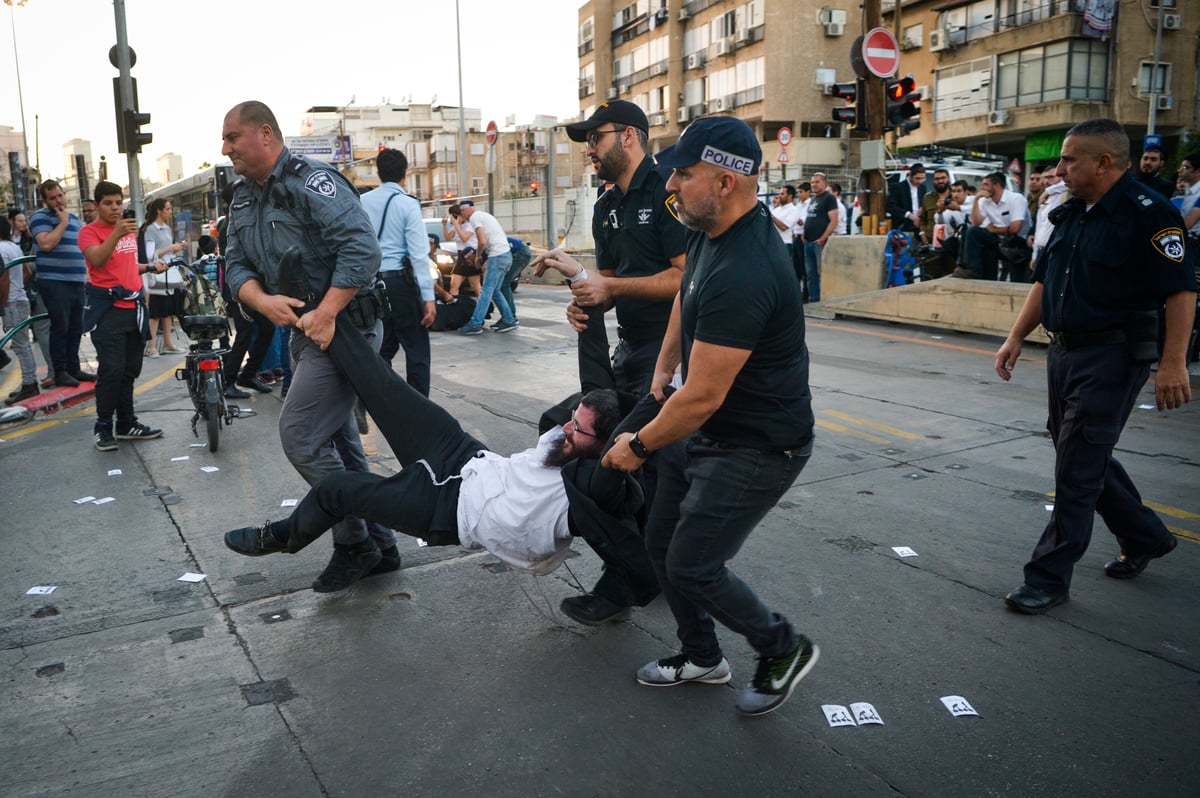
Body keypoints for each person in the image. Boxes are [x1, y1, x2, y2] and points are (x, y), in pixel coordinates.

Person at [605, 116, 818, 717]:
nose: (670, 184)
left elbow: (702, 398)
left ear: (725, 182)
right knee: (661, 539)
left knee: (693, 564)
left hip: (758, 445)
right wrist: (661, 368)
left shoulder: (748, 267)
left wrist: (639, 445)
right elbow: (684, 296)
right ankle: (701, 655)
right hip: (706, 428)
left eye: (684, 173)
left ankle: (783, 646)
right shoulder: (707, 230)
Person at [222, 322, 627, 578]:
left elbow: (628, 539)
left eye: (579, 431)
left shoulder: (590, 489)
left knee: (338, 489)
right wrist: (584, 301)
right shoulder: (567, 437)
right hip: (468, 458)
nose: (566, 429)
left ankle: (279, 537)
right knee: (384, 385)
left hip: (443, 510)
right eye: (572, 420)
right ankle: (317, 307)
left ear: (607, 448)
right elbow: (594, 381)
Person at [994, 118, 1195, 614]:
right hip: (1064, 352)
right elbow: (1044, 281)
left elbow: (1181, 290)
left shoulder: (1150, 213)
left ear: (1103, 163)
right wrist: (1017, 335)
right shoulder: (1072, 213)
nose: (1058, 169)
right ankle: (1145, 535)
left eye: (1068, 160)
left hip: (1114, 355)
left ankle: (1048, 577)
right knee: (1082, 453)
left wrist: (1174, 363)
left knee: (1077, 467)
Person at [220, 99, 398, 593]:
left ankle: (354, 542)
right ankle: (382, 546)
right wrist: (262, 299)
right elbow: (234, 265)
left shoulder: (310, 180)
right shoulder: (241, 198)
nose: (226, 147)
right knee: (341, 445)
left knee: (300, 436)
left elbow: (362, 249)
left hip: (345, 332)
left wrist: (327, 311)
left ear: (265, 134)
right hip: (302, 333)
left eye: (233, 138)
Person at [534, 99, 687, 625]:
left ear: (629, 137)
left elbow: (687, 279)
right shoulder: (605, 207)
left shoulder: (668, 190)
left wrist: (610, 286)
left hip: (674, 352)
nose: (589, 150)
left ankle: (630, 578)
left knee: (625, 457)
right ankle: (641, 564)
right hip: (629, 350)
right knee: (561, 431)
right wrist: (586, 301)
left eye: (595, 138)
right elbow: (611, 286)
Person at [78, 181, 166, 451]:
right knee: (111, 371)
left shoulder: (127, 232)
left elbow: (126, 265)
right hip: (108, 311)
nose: (115, 208)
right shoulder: (89, 232)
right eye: (108, 203)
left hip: (135, 309)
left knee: (130, 371)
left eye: (118, 202)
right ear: (96, 205)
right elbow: (99, 260)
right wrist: (116, 233)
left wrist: (149, 267)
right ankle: (103, 426)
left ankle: (126, 423)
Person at [361, 148, 436, 395]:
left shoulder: (361, 202)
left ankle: (376, 401)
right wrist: (428, 298)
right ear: (404, 174)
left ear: (378, 173)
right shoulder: (408, 204)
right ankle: (420, 409)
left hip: (370, 285)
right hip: (401, 285)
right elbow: (418, 255)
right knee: (416, 349)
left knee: (383, 346)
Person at [29, 180, 94, 387]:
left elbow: (83, 248)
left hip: (76, 281)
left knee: (76, 327)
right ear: (44, 200)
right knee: (61, 326)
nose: (58, 201)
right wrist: (63, 222)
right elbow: (46, 243)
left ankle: (73, 367)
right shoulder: (40, 217)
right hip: (54, 281)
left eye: (60, 195)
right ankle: (60, 370)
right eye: (52, 198)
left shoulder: (75, 218)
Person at [455, 201, 518, 335]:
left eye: (461, 213)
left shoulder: (475, 218)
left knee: (486, 291)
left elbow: (482, 240)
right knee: (495, 290)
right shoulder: (485, 215)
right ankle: (508, 319)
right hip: (506, 255)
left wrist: (478, 256)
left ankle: (475, 324)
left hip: (497, 256)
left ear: (464, 211)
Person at [955, 172, 1028, 281]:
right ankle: (973, 270)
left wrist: (994, 229)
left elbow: (1015, 229)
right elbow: (976, 223)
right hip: (998, 240)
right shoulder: (984, 201)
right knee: (973, 232)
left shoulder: (1015, 198)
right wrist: (976, 200)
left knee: (1018, 280)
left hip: (1018, 243)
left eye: (986, 185)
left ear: (997, 185)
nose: (982, 188)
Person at [139, 198, 187, 357]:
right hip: (155, 271)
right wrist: (171, 247)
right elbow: (150, 254)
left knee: (167, 310)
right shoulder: (150, 229)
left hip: (168, 269)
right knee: (155, 310)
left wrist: (176, 249)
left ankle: (168, 343)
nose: (170, 212)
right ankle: (151, 346)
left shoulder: (166, 228)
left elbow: (166, 252)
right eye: (167, 209)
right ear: (159, 210)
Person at [1, 216, 41, 404]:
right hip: (20, 298)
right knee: (22, 343)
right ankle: (29, 382)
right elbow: (27, 271)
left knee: (20, 345)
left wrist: (6, 302)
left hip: (12, 301)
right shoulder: (13, 247)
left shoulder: (1, 249)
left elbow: (4, 277)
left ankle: (29, 384)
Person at [800, 172, 839, 303]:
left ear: (824, 183)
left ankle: (823, 301)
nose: (814, 185)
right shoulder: (813, 199)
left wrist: (823, 237)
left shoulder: (829, 198)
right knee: (811, 274)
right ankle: (813, 300)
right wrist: (804, 235)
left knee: (821, 273)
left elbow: (833, 220)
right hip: (809, 242)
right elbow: (810, 218)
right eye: (812, 182)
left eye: (817, 182)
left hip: (819, 243)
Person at [919, 168, 955, 278]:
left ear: (948, 179)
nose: (940, 181)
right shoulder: (928, 198)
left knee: (951, 277)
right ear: (933, 181)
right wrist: (923, 236)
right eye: (937, 179)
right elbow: (922, 219)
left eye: (943, 178)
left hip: (951, 245)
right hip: (932, 245)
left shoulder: (956, 196)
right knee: (931, 277)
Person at [443, 204, 481, 299]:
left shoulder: (470, 225)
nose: (455, 218)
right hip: (461, 256)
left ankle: (485, 306)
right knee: (454, 285)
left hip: (470, 256)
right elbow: (448, 237)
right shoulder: (457, 227)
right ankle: (454, 307)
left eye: (455, 216)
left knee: (475, 286)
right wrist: (444, 225)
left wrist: (456, 225)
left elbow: (464, 238)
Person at [886, 163, 926, 235]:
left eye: (922, 179)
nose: (920, 181)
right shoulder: (898, 187)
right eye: (917, 178)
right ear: (910, 175)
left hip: (919, 225)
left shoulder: (922, 188)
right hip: (903, 225)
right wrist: (908, 215)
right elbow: (890, 206)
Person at [770, 185, 804, 259]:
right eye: (779, 193)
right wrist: (772, 207)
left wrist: (771, 216)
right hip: (772, 244)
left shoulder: (794, 210)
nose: (779, 196)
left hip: (784, 244)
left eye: (782, 194)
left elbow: (784, 227)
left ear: (790, 196)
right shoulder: (777, 209)